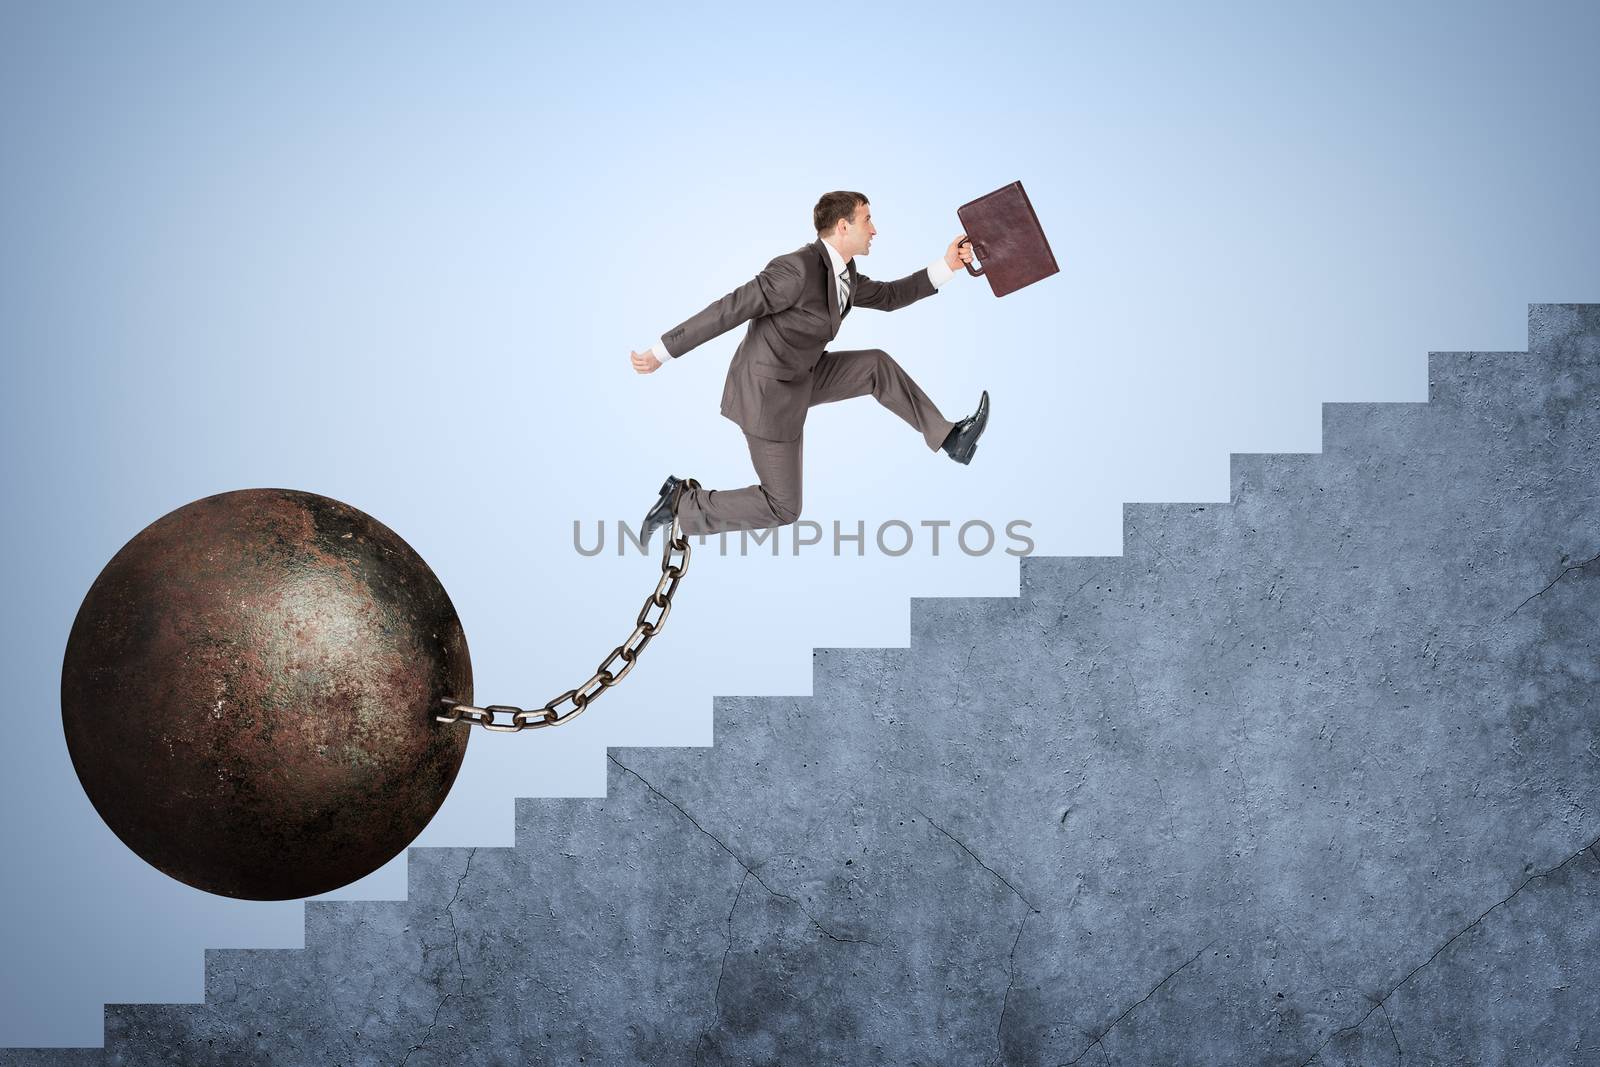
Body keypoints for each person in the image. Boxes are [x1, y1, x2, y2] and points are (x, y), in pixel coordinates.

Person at [631, 190, 990, 545]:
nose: (875, 230)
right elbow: (730, 308)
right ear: (843, 226)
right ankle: (682, 503)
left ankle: (951, 440)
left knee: (875, 365)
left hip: (804, 374)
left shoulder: (843, 272)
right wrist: (661, 351)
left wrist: (948, 266)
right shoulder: (795, 269)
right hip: (767, 393)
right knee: (783, 506)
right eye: (868, 220)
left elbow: (890, 296)